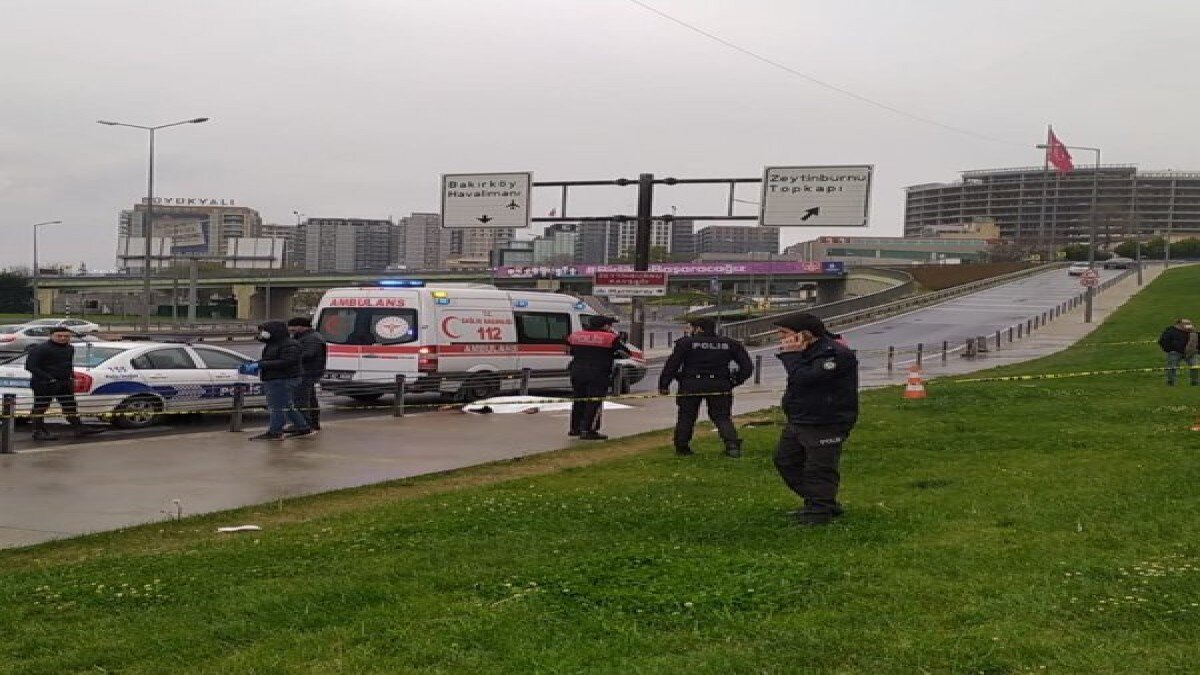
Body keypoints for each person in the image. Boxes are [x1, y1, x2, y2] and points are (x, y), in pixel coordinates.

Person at [772, 313, 859, 526]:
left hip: (826, 419)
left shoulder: (833, 354)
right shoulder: (807, 351)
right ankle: (820, 502)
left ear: (805, 334)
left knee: (819, 467)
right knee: (786, 460)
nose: (780, 338)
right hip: (801, 417)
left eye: (784, 333)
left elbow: (806, 378)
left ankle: (820, 510)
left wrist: (791, 355)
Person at [658, 317, 754, 457]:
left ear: (698, 328)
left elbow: (672, 365)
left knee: (686, 416)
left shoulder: (685, 343)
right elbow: (747, 367)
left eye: (691, 328)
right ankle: (732, 446)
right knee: (722, 416)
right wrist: (734, 382)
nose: (690, 331)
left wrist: (664, 385)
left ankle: (682, 447)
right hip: (719, 384)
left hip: (691, 384)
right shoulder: (730, 343)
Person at [25, 326, 103, 441]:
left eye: (66, 336)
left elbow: (68, 364)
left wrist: (71, 376)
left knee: (70, 405)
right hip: (44, 383)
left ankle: (79, 428)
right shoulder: (40, 349)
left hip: (65, 382)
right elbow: (30, 366)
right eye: (59, 336)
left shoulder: (69, 348)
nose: (63, 338)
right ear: (51, 336)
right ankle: (38, 431)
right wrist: (49, 378)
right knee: (41, 406)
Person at [566, 315, 630, 441]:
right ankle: (589, 430)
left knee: (579, 399)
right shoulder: (610, 337)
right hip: (598, 372)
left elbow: (570, 351)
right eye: (610, 325)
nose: (611, 327)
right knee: (594, 401)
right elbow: (625, 353)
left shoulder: (576, 335)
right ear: (605, 325)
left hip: (577, 371)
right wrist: (611, 354)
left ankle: (575, 428)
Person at [249, 321, 313, 441]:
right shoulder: (273, 343)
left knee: (276, 406)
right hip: (276, 378)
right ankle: (303, 427)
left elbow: (288, 361)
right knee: (286, 405)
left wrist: (261, 365)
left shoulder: (290, 344)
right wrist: (257, 364)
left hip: (282, 379)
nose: (262, 333)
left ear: (274, 331)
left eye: (264, 331)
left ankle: (275, 432)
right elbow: (271, 358)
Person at [287, 317, 327, 432]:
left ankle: (303, 424)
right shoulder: (308, 336)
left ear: (301, 326)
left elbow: (308, 354)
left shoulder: (311, 338)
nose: (290, 330)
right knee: (309, 398)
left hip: (306, 372)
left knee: (301, 399)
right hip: (308, 372)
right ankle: (312, 423)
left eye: (292, 327)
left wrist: (290, 357)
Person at [1158, 317, 1199, 386]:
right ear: (1179, 324)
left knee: (1195, 366)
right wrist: (1170, 350)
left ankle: (1195, 382)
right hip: (1175, 353)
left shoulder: (1193, 332)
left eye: (1189, 323)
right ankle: (1170, 382)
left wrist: (1197, 350)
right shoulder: (1170, 331)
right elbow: (1163, 341)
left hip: (1191, 353)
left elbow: (1197, 341)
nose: (1189, 325)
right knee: (1172, 367)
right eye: (1186, 323)